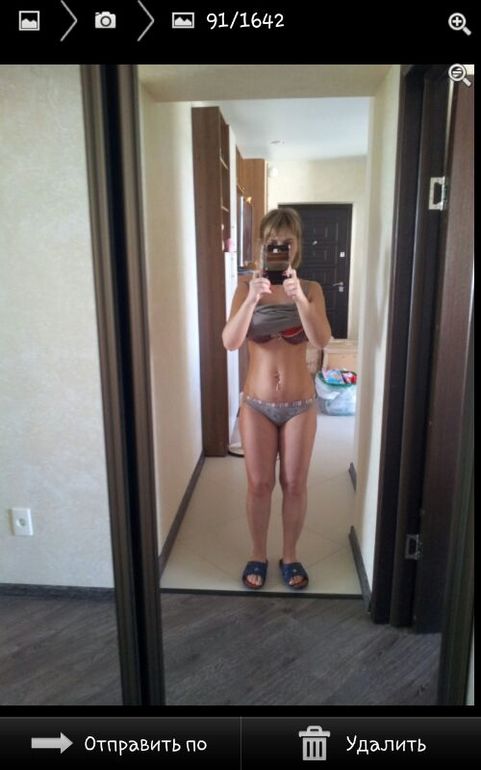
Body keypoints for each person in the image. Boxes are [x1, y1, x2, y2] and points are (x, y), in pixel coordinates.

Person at [222, 208, 332, 590]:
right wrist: (252, 299)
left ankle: (290, 555)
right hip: (257, 404)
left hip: (300, 404)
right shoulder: (245, 287)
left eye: (287, 242)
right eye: (273, 242)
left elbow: (321, 339)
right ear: (262, 246)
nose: (280, 247)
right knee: (258, 485)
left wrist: (299, 297)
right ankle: (257, 554)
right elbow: (230, 341)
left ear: (296, 246)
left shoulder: (311, 289)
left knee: (295, 484)